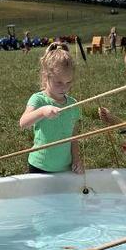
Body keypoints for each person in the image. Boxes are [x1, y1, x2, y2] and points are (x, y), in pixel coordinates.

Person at [16, 43, 83, 175]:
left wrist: (76, 159)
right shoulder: (38, 100)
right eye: (59, 82)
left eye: (68, 82)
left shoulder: (73, 104)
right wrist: (42, 111)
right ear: (46, 77)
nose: (64, 87)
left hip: (65, 167)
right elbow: (23, 123)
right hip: (40, 166)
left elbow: (73, 137)